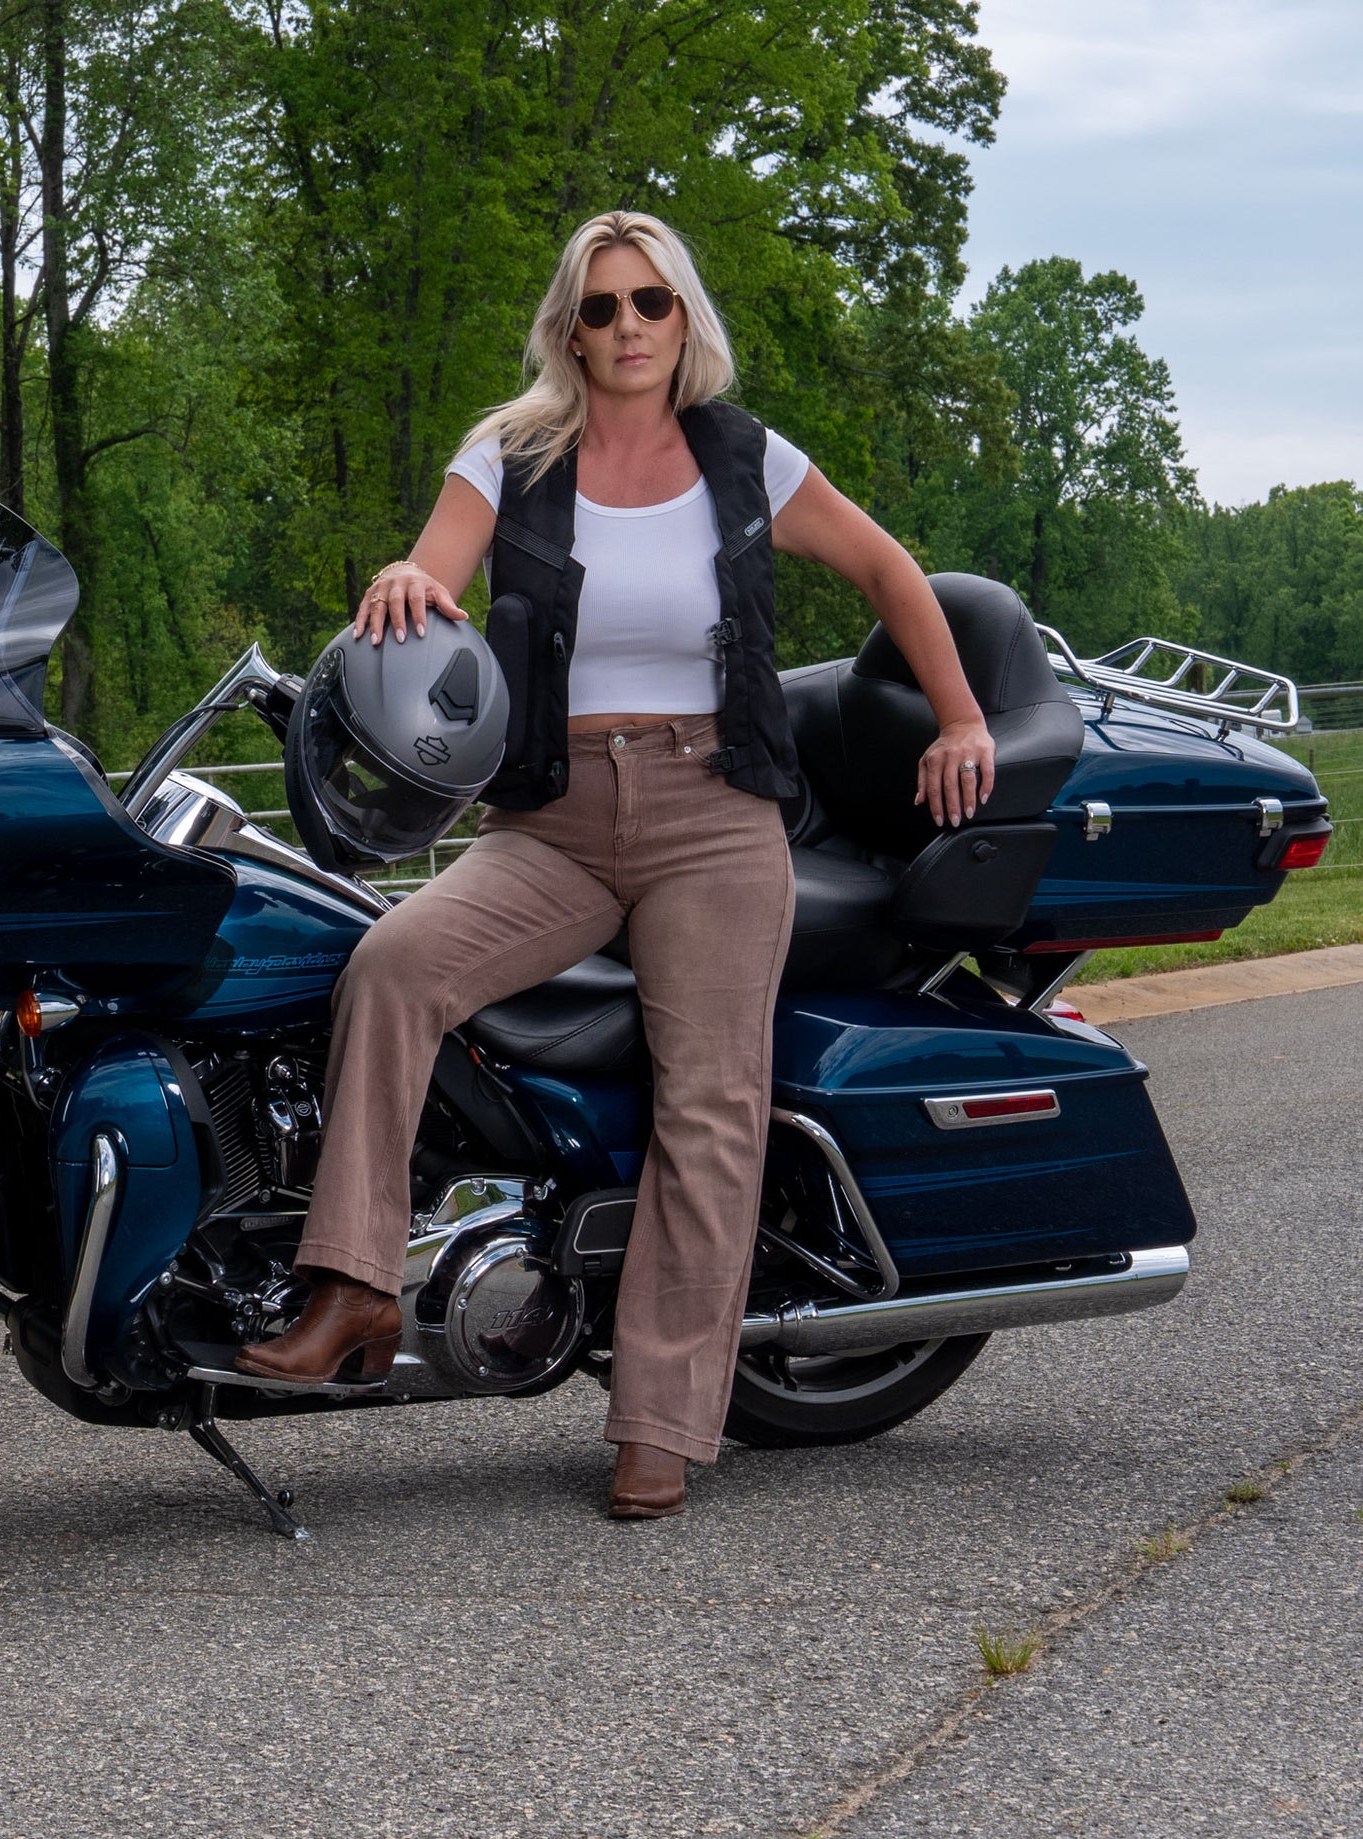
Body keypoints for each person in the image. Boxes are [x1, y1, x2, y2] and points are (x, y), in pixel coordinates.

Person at [237, 209, 996, 1519]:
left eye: (650, 303)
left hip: (714, 816)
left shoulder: (745, 458)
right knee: (393, 963)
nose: (628, 327)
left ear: (682, 318)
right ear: (567, 329)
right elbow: (436, 563)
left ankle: (657, 1419)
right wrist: (402, 580)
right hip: (554, 819)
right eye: (601, 308)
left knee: (708, 1100)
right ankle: (355, 1285)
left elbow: (887, 568)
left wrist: (963, 717)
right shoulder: (510, 452)